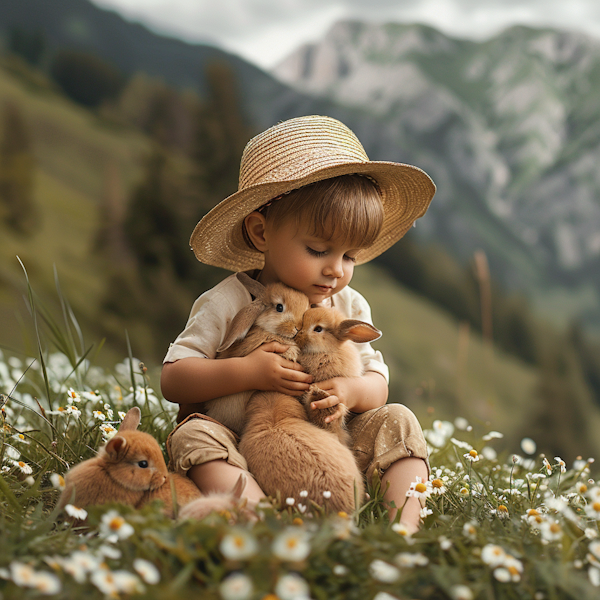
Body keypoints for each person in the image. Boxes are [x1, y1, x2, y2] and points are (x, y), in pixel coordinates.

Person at [161, 115, 436, 531]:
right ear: (260, 232)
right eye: (318, 249)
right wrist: (248, 371)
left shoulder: (346, 304)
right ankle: (262, 521)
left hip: (329, 447)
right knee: (193, 437)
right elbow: (174, 380)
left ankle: (403, 533)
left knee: (398, 420)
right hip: (242, 444)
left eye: (349, 257)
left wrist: (349, 390)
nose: (335, 271)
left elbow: (377, 384)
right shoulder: (228, 301)